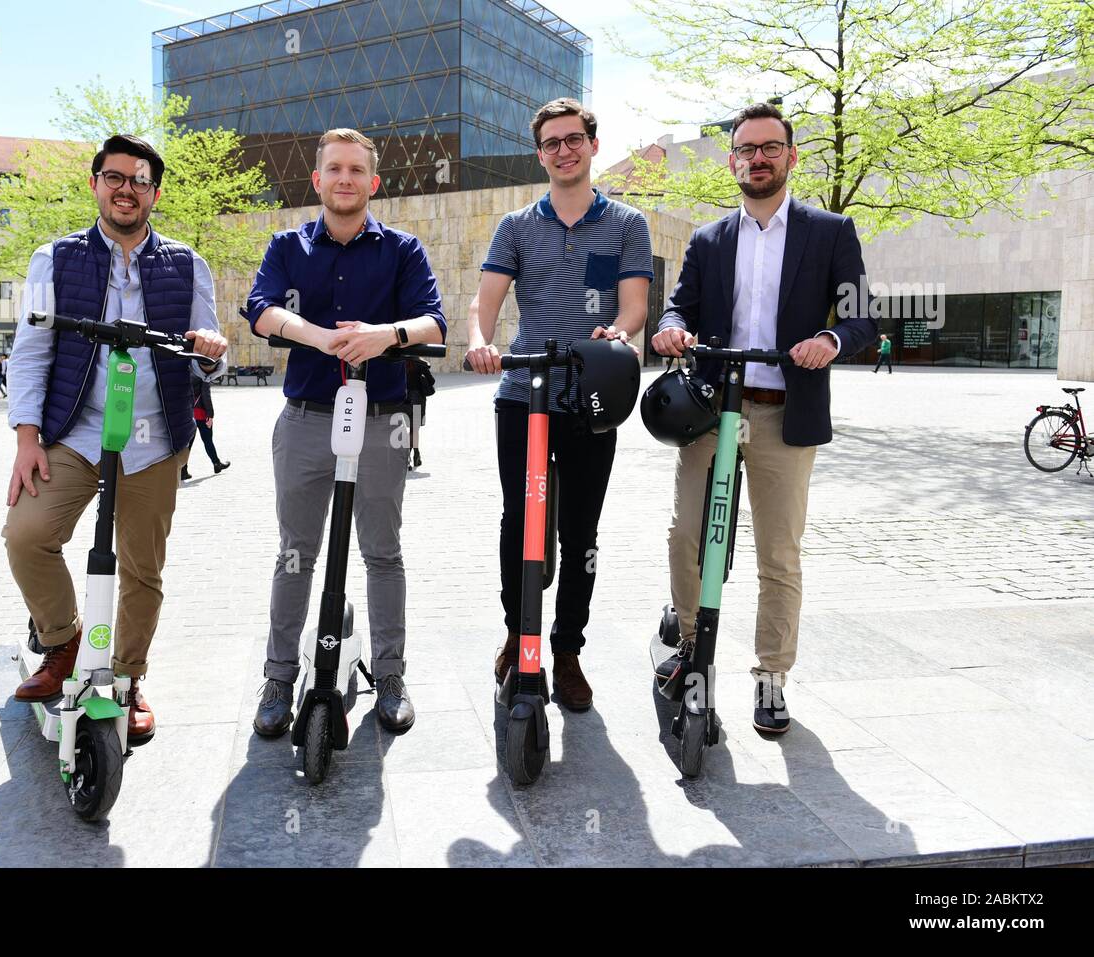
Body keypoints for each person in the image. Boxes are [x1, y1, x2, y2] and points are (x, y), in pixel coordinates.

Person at [652, 101, 877, 734]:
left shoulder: (831, 232)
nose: (757, 158)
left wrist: (830, 342)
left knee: (778, 554)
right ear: (732, 161)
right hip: (711, 411)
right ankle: (694, 654)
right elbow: (677, 310)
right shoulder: (708, 238)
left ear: (791, 156)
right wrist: (672, 333)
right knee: (689, 537)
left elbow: (862, 317)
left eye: (769, 148)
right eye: (747, 150)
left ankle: (771, 677)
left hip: (786, 413)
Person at [3, 133, 228, 743]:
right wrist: (27, 440)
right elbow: (30, 352)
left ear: (154, 193)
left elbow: (208, 354)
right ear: (96, 183)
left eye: (140, 180)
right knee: (26, 535)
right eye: (115, 177)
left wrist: (211, 351)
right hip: (74, 430)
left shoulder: (186, 264)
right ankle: (63, 643)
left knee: (142, 569)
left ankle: (127, 680)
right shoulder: (55, 259)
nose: (126, 189)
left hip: (155, 437)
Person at [243, 127, 446, 738]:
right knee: (294, 553)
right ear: (317, 180)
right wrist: (321, 335)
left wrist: (383, 336)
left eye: (357, 170)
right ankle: (280, 677)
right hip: (306, 418)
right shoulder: (286, 245)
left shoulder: (403, 250)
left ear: (373, 182)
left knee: (383, 552)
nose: (345, 179)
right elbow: (260, 310)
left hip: (382, 421)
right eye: (334, 168)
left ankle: (389, 674)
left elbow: (433, 323)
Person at [466, 98, 652, 712]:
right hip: (524, 397)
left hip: (591, 399)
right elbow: (485, 302)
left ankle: (567, 649)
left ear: (593, 145)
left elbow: (633, 308)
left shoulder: (627, 224)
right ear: (539, 153)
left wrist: (619, 336)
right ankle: (519, 635)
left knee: (581, 532)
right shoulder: (516, 226)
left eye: (574, 139)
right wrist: (479, 341)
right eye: (551, 142)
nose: (564, 150)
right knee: (520, 525)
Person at [183, 376, 229, 480]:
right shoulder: (204, 377)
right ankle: (217, 464)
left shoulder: (186, 373)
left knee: (188, 444)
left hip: (189, 413)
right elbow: (206, 396)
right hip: (202, 415)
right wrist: (210, 415)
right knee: (208, 441)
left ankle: (183, 470)